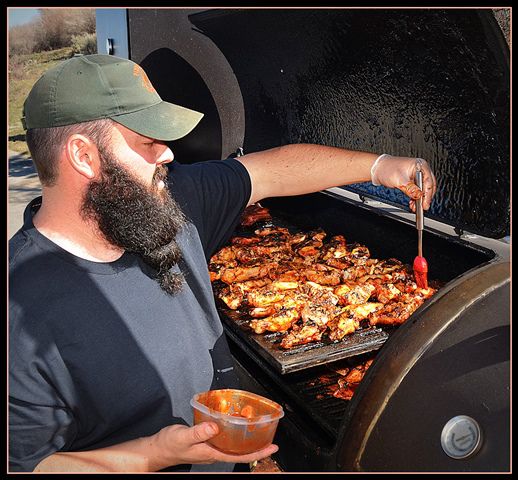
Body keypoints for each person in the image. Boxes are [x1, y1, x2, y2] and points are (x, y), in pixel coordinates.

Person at [9, 54, 437, 473]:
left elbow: (270, 171)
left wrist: (379, 167)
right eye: (148, 143)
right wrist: (156, 453)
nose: (168, 156)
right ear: (84, 157)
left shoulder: (166, 202)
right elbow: (32, 464)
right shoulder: (23, 311)